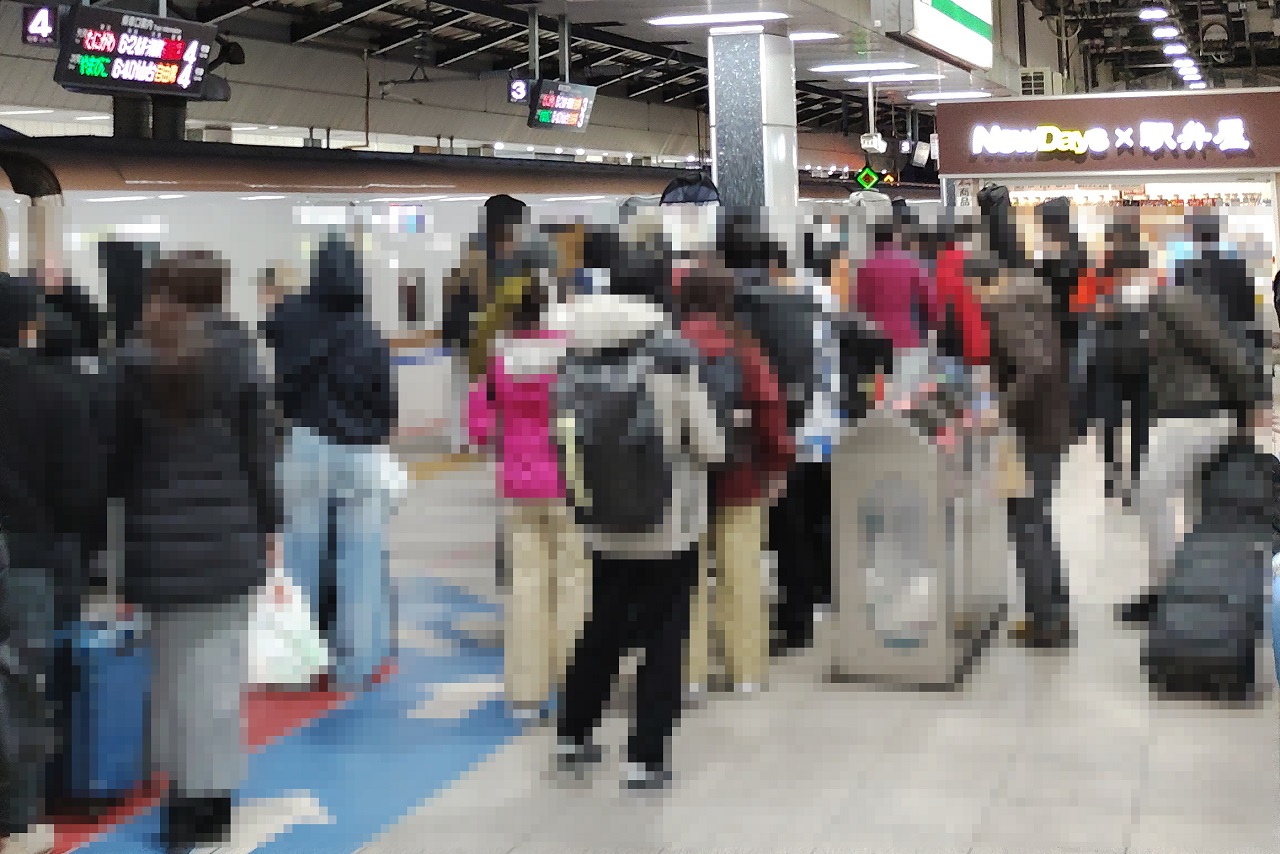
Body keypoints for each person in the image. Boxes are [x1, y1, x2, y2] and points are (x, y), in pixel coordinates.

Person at [111, 251, 280, 853]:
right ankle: (215, 803)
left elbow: (118, 463)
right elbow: (260, 456)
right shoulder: (240, 358)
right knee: (219, 678)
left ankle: (179, 802)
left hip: (158, 545)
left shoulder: (132, 360)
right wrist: (270, 523)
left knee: (171, 679)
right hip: (230, 539)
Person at [546, 255, 726, 791]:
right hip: (668, 520)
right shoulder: (673, 357)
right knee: (663, 635)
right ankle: (645, 757)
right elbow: (708, 443)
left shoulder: (574, 354)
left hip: (601, 515)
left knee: (602, 625)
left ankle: (573, 734)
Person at [1121, 215, 1270, 625]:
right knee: (1192, 500)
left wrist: (1253, 401)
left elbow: (1223, 348)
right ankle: (1197, 591)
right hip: (1183, 414)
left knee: (1151, 491)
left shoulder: (1173, 300)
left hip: (1198, 414)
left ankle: (1170, 590)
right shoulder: (1143, 311)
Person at [265, 236, 396, 692]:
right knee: (358, 561)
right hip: (359, 454)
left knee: (300, 562)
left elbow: (273, 327)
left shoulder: (294, 322)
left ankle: (295, 668)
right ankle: (352, 668)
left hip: (305, 447)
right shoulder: (368, 335)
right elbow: (387, 404)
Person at [0, 275, 98, 854]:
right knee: (24, 685)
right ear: (25, 325)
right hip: (28, 557)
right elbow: (79, 492)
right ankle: (19, 819)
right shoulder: (55, 391)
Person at [467, 276, 586, 721]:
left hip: (517, 484)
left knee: (526, 587)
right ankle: (575, 685)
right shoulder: (568, 352)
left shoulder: (500, 358)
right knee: (574, 581)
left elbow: (480, 425)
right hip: (566, 482)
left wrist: (508, 435)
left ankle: (525, 693)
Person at [676, 260, 794, 693]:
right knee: (741, 574)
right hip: (740, 475)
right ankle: (744, 670)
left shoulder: (668, 346)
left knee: (686, 581)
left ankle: (689, 675)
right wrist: (777, 465)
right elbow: (768, 410)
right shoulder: (744, 348)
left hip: (683, 481)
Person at [966, 256, 1075, 649]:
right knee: (1037, 518)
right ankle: (1054, 609)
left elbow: (1035, 364)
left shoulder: (1003, 308)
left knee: (1027, 521)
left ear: (979, 285)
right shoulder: (1032, 300)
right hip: (1049, 425)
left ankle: (1046, 620)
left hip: (1032, 430)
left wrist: (1001, 407)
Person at [1074, 223, 1155, 506]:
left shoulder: (1101, 276)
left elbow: (1084, 318)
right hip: (1130, 362)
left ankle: (1119, 476)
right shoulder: (1144, 278)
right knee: (1129, 422)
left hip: (1113, 361)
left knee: (1115, 422)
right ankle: (1126, 477)